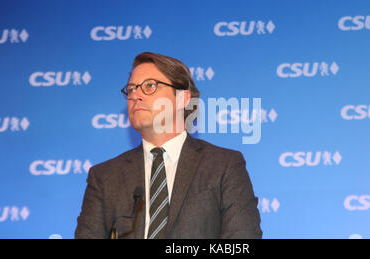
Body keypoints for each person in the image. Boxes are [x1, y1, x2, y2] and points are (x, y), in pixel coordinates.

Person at [75, 52, 262, 239]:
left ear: (182, 98)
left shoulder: (223, 165)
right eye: (131, 89)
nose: (135, 95)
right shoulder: (104, 176)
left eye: (149, 86)